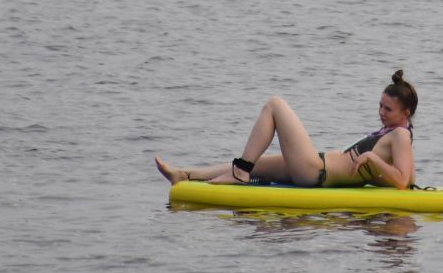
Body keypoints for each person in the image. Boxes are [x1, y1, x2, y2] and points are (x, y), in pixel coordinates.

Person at [154, 70, 418, 189]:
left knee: (275, 105)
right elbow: (406, 176)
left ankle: (239, 175)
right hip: (317, 166)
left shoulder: (401, 135)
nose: (381, 113)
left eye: (388, 109)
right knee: (253, 164)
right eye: (380, 106)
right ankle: (184, 175)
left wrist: (371, 159)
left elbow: (402, 182)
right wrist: (369, 173)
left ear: (405, 113)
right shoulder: (395, 134)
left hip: (317, 172)